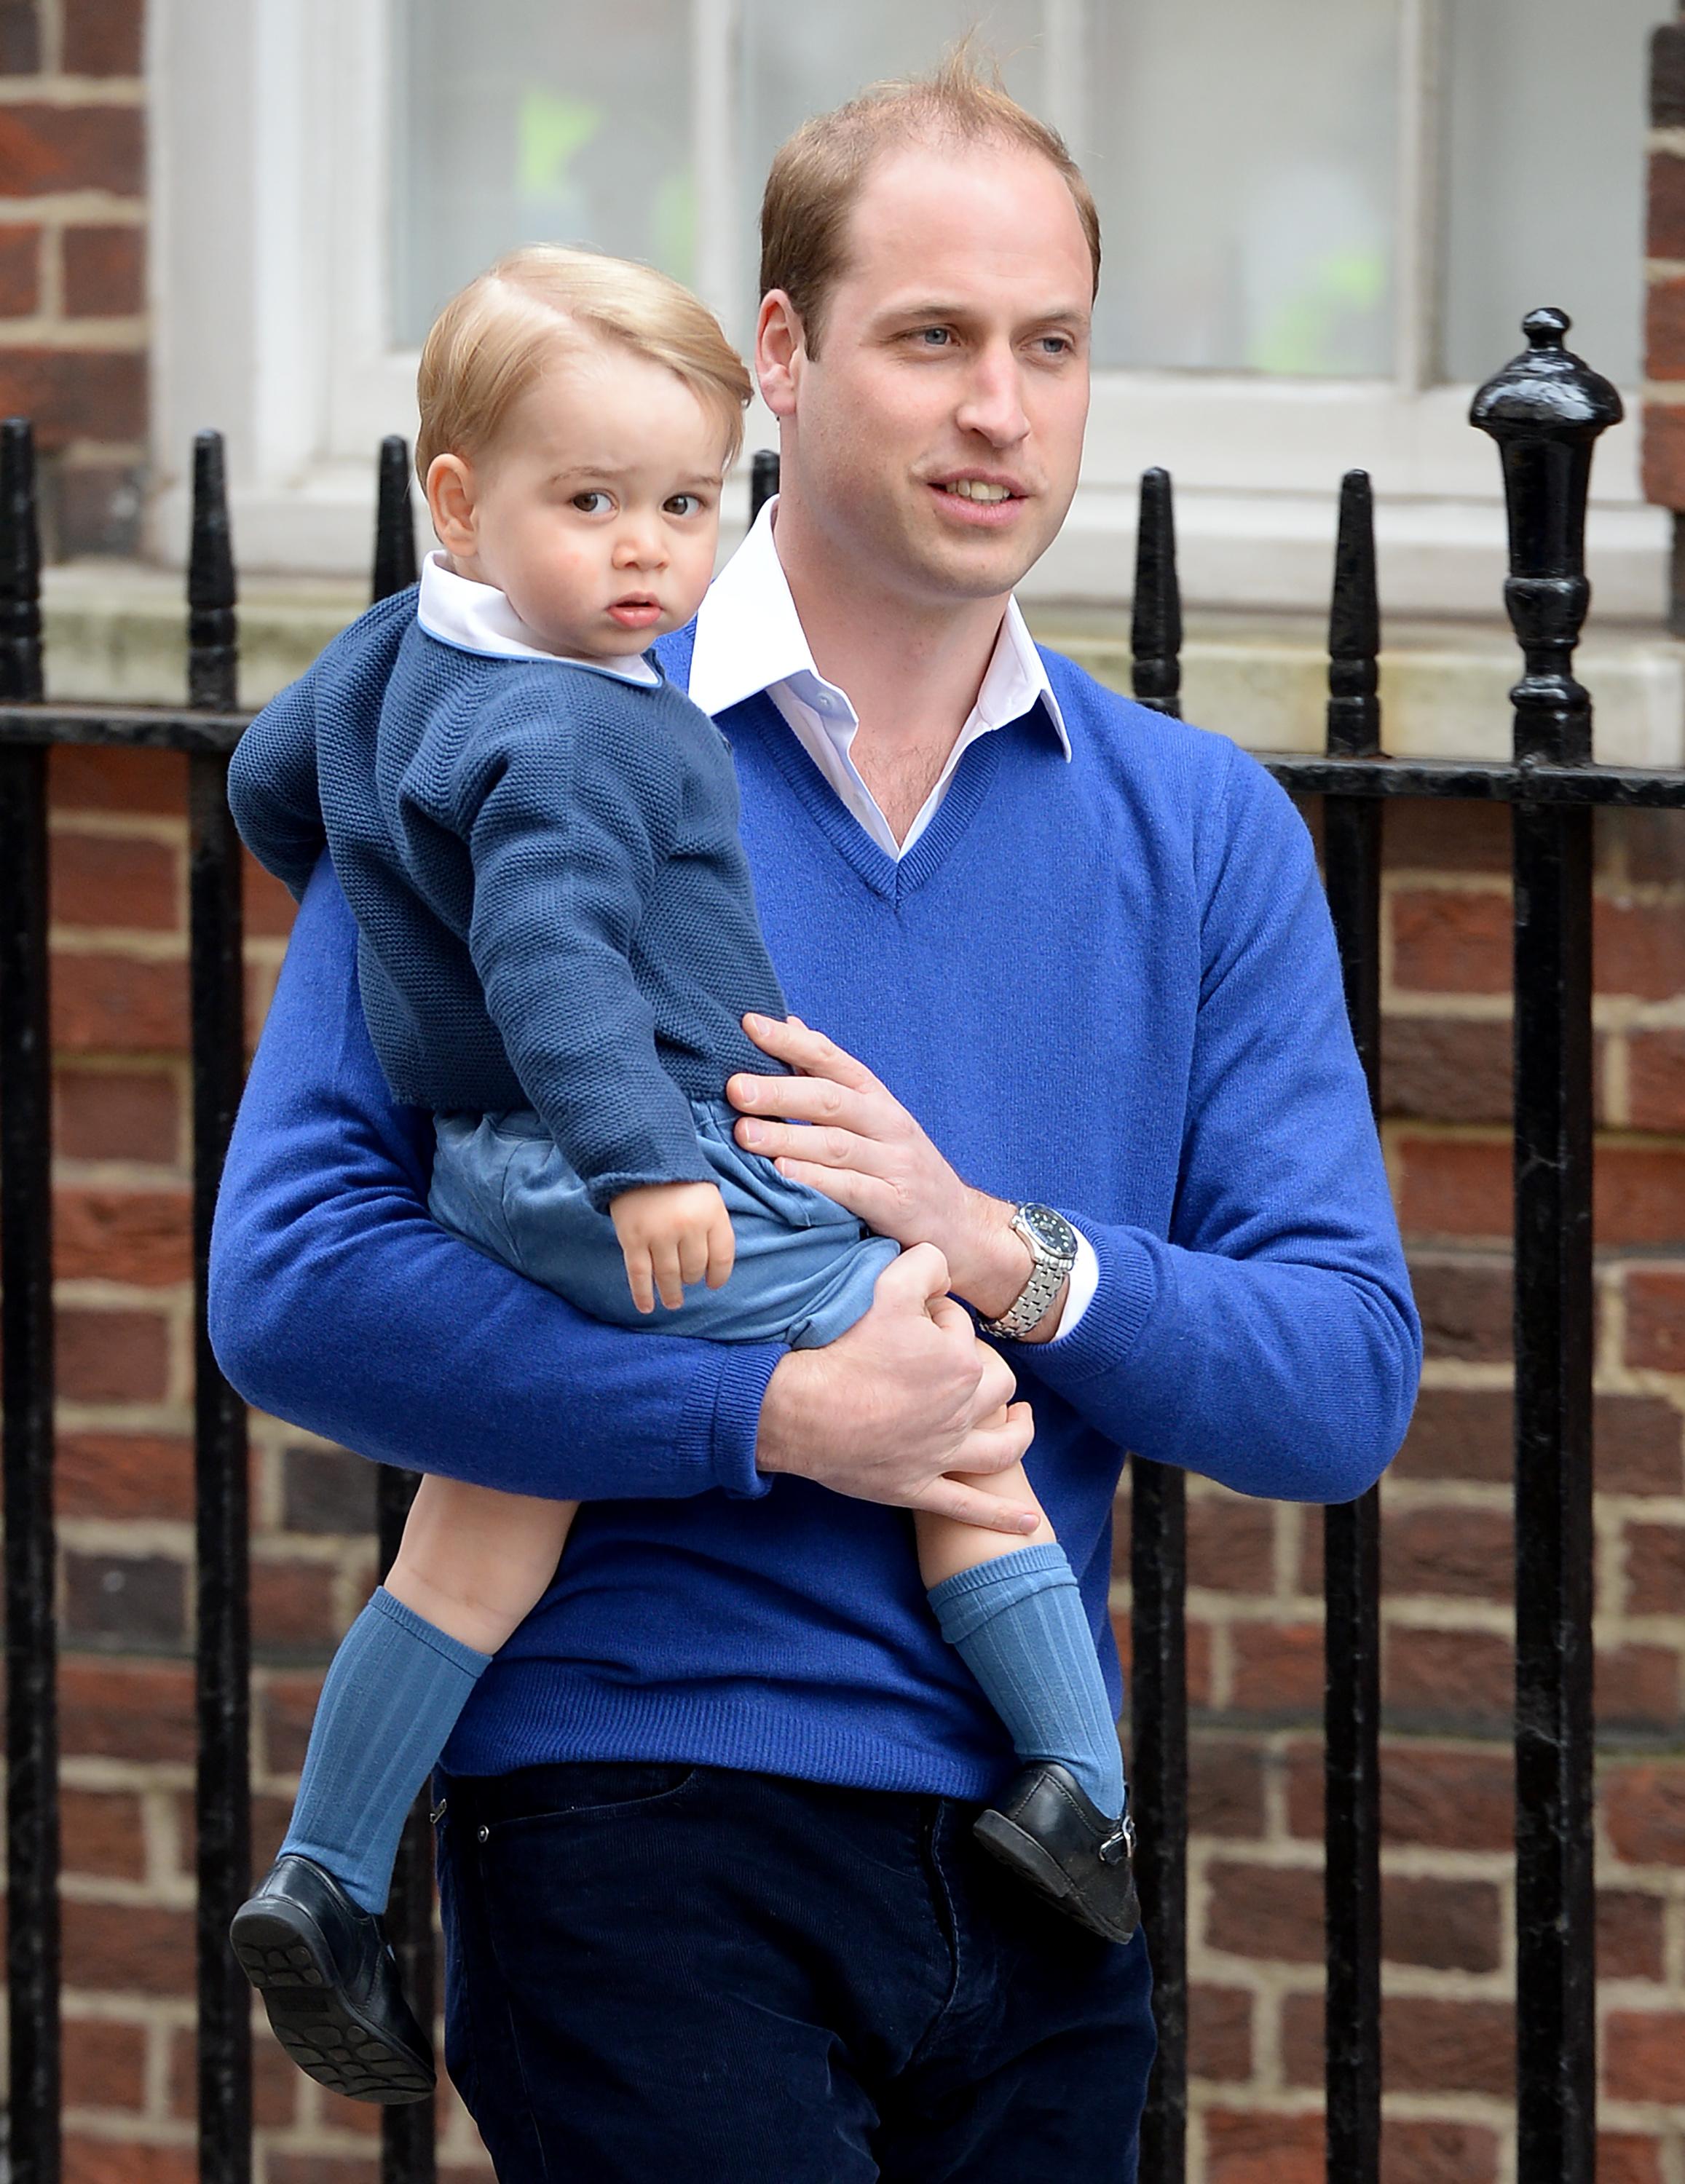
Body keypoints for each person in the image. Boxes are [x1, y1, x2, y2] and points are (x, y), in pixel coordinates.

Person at [209, 53, 1420, 2183]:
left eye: (1048, 346)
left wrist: (1001, 1250)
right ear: (778, 354)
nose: (999, 411)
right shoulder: (521, 720)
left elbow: (1337, 1384)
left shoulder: (1201, 831)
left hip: (1045, 1857)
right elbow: (297, 1282)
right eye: (931, 338)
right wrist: (764, 1418)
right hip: (633, 1818)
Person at [221, 242, 1139, 2109]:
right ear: (461, 505)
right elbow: (557, 969)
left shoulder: (400, 660)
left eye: (682, 505)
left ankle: (322, 1875)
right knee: (936, 1362)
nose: (648, 554)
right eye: (593, 505)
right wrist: (652, 1171)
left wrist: (377, 889)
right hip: (624, 1161)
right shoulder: (578, 724)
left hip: (500, 1177)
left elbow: (269, 784)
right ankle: (1081, 1791)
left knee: (486, 1518)